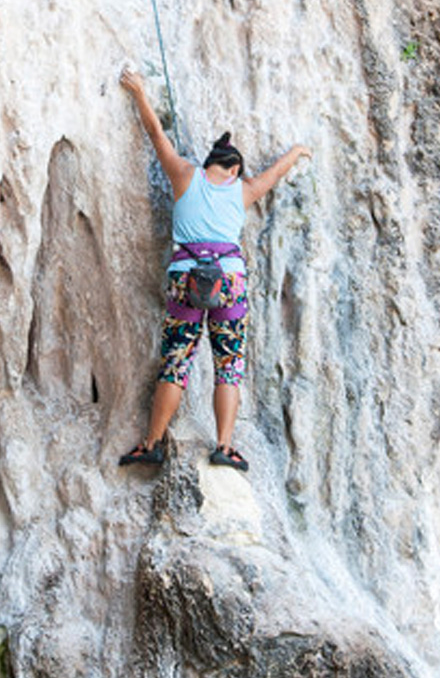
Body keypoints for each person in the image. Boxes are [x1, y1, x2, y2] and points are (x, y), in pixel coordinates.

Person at [117, 69, 310, 471]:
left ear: (208, 163)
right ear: (236, 170)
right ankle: (224, 446)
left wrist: (138, 91)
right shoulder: (244, 190)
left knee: (176, 361)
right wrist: (296, 152)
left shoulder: (184, 175)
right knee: (229, 364)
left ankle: (151, 443)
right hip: (229, 282)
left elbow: (156, 134)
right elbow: (276, 173)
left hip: (186, 279)